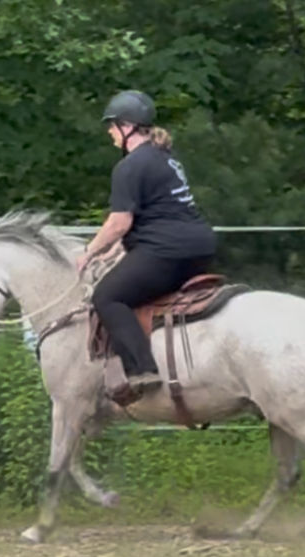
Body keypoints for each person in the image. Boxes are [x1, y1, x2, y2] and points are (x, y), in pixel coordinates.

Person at [76, 90, 217, 394]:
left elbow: (119, 223)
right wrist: (114, 249)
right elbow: (153, 214)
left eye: (112, 127)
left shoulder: (129, 166)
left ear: (127, 126)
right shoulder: (166, 160)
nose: (110, 134)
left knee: (107, 298)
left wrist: (88, 253)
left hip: (165, 252)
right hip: (200, 248)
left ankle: (143, 371)